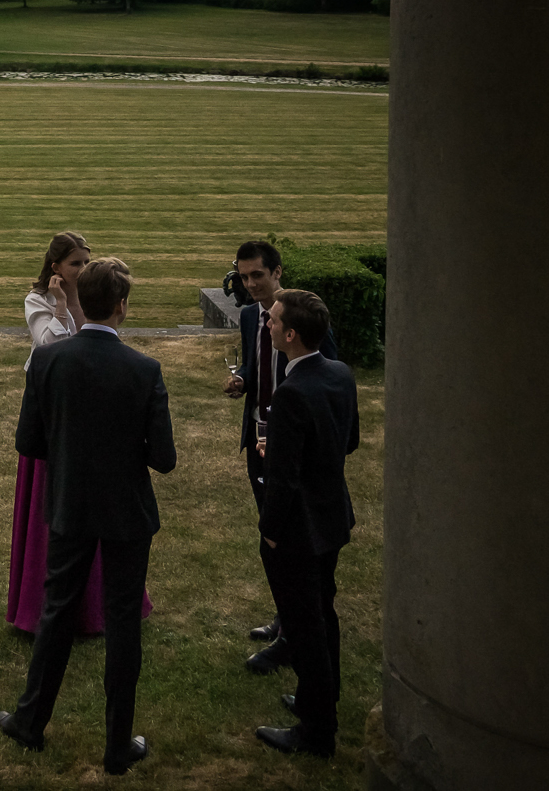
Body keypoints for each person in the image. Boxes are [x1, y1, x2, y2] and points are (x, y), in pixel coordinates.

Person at [0, 257, 175, 776]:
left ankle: (30, 722)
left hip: (69, 504)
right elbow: (163, 457)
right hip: (125, 511)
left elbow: (28, 441)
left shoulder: (50, 362)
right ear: (121, 307)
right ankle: (118, 745)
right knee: (122, 624)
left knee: (57, 612)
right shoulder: (144, 370)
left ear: (82, 301)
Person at [6, 233, 154, 636]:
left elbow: (101, 347)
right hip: (57, 412)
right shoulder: (37, 300)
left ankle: (98, 608)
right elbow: (50, 345)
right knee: (55, 511)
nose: (82, 270)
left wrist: (75, 305)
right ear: (55, 268)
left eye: (86, 262)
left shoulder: (94, 297)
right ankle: (46, 607)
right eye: (75, 263)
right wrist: (59, 306)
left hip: (92, 411)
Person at [219, 240, 337, 671]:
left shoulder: (303, 317)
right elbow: (259, 365)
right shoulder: (252, 316)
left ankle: (295, 633)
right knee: (273, 539)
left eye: (257, 276)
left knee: (290, 540)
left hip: (293, 450)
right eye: (243, 275)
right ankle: (286, 616)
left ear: (278, 273)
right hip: (259, 440)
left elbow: (326, 375)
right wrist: (243, 380)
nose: (250, 285)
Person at [253, 288, 360, 758]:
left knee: (305, 628)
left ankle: (317, 732)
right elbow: (347, 441)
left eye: (273, 321)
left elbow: (286, 481)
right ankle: (321, 700)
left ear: (291, 334)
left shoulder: (293, 392)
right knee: (325, 613)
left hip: (297, 529)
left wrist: (270, 532)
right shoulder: (338, 373)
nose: (267, 324)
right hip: (332, 516)